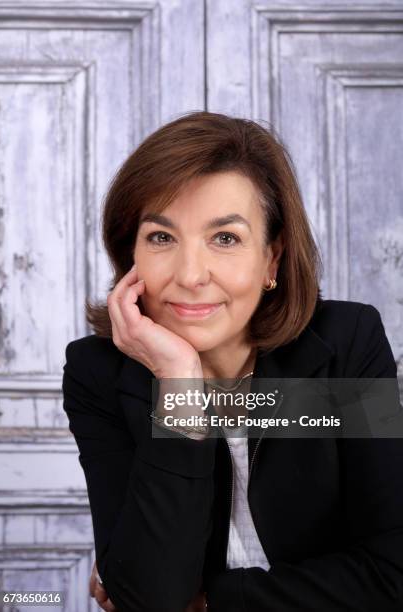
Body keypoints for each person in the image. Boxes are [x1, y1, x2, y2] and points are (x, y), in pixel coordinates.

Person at [62, 111, 403, 612]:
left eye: (225, 238)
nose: (191, 274)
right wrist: (179, 385)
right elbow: (149, 599)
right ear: (129, 254)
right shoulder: (99, 373)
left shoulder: (346, 346)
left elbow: (392, 577)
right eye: (161, 237)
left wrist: (217, 601)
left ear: (272, 258)